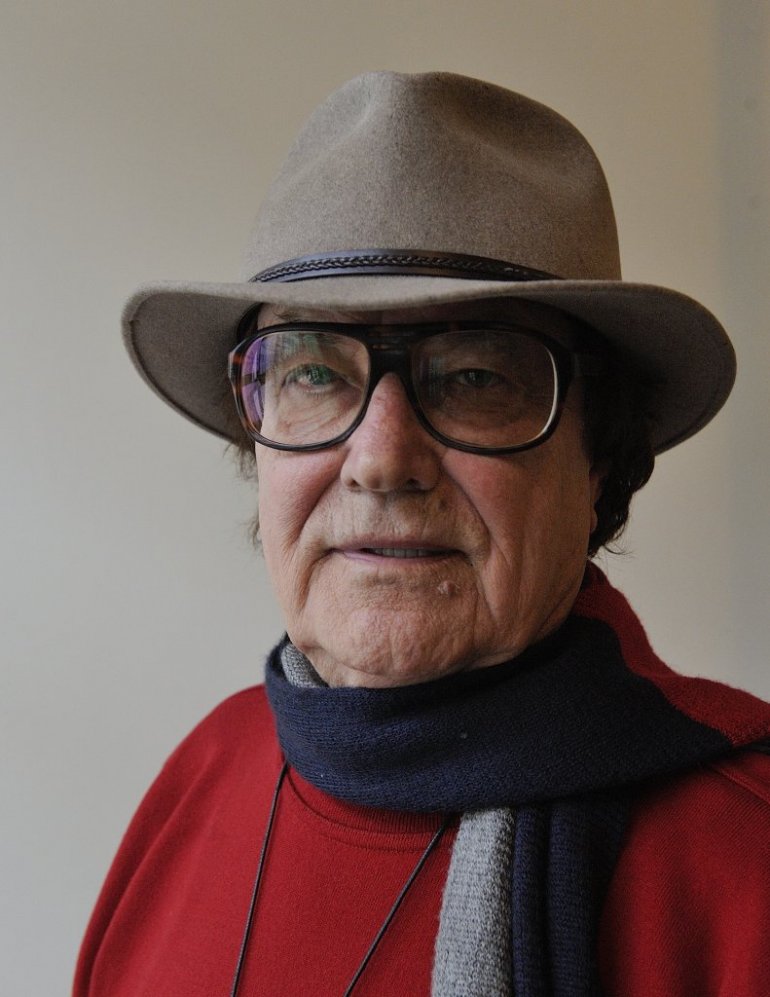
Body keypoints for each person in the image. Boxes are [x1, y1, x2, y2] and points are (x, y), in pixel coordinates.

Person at [74, 71, 770, 996]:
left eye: (475, 376)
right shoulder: (201, 774)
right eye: (313, 373)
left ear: (600, 454)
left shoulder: (743, 860)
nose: (380, 458)